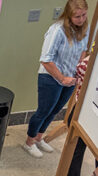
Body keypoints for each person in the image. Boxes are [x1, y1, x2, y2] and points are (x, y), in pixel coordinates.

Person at [22, 0, 88, 158]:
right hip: (51, 76)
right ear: (68, 15)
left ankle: (39, 138)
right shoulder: (57, 30)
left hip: (70, 77)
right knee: (44, 110)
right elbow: (46, 59)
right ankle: (29, 142)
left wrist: (78, 70)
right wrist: (62, 78)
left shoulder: (84, 28)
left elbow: (83, 50)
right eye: (77, 16)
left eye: (84, 15)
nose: (81, 19)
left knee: (55, 110)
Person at [64, 54, 97, 176]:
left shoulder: (91, 60)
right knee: (77, 148)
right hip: (85, 109)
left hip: (85, 109)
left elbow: (81, 69)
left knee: (76, 149)